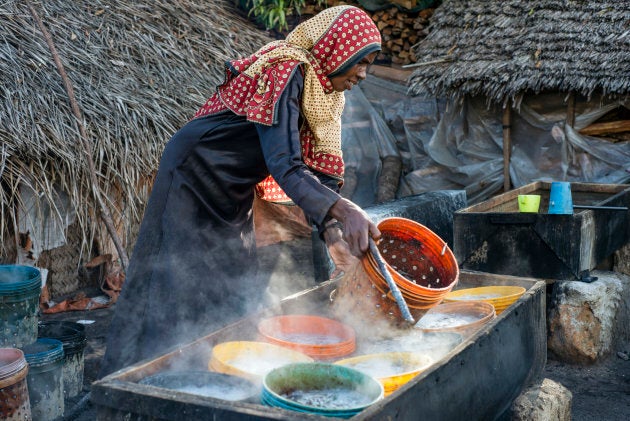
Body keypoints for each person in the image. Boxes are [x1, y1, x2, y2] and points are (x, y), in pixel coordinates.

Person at [99, 5, 382, 377]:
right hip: (193, 173)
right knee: (177, 278)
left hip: (234, 185)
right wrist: (346, 212)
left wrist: (333, 236)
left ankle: (217, 372)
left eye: (370, 64)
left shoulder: (326, 96)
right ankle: (144, 377)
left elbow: (319, 177)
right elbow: (286, 165)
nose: (363, 73)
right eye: (360, 61)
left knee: (235, 274)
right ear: (336, 49)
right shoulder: (287, 70)